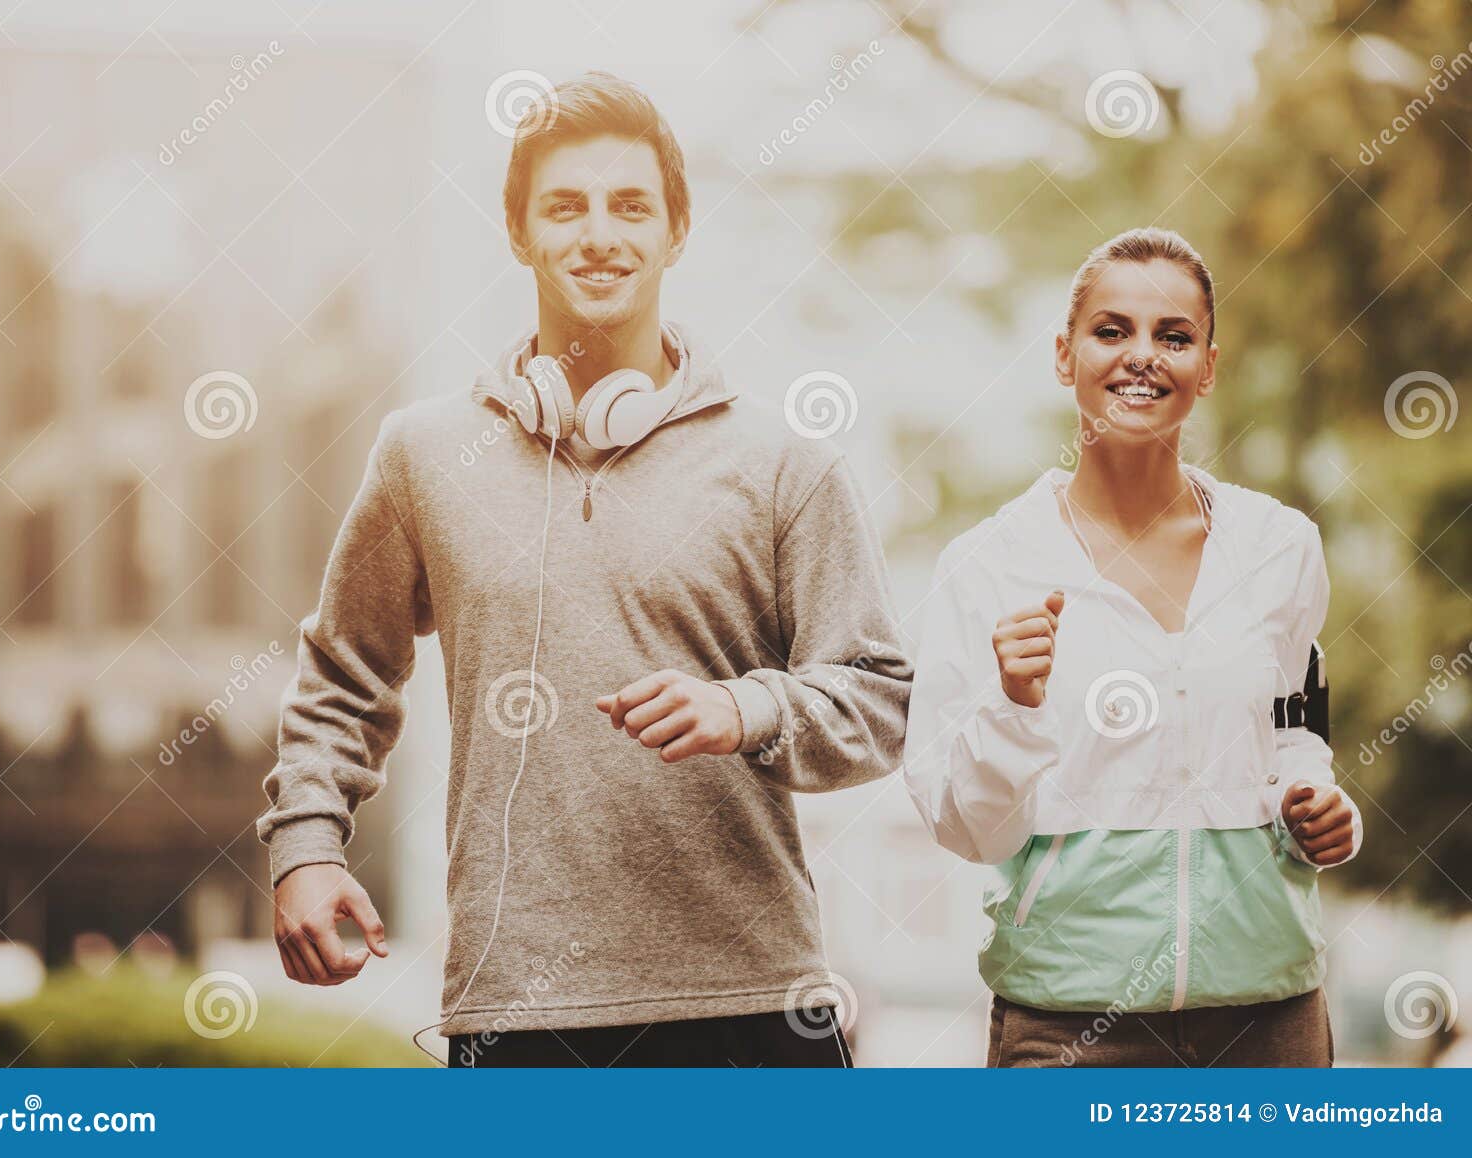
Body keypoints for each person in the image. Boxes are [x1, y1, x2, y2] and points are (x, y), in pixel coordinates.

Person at [255, 72, 911, 1068]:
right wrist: (305, 845)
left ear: (675, 230)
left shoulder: (786, 467)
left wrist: (750, 707)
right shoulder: (423, 456)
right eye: (564, 206)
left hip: (753, 1008)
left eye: (629, 205)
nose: (598, 233)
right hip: (517, 1008)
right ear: (518, 232)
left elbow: (880, 707)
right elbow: (343, 673)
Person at [902, 227, 1362, 1067]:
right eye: (1112, 331)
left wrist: (1313, 803)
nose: (1143, 356)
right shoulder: (986, 565)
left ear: (1209, 367)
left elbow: (1295, 727)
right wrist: (1013, 705)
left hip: (1272, 1022)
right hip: (1071, 1029)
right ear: (1063, 354)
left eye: (1174, 336)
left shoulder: (1279, 546)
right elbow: (967, 830)